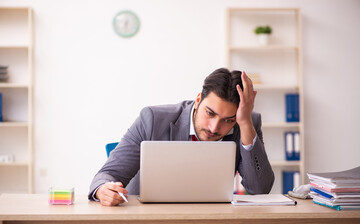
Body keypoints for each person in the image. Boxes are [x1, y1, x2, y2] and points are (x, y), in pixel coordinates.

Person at [89, 68, 274, 206]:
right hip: (149, 220)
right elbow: (108, 174)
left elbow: (260, 189)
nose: (214, 127)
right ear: (199, 99)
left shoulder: (246, 124)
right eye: (210, 113)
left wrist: (245, 123)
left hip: (214, 220)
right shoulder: (152, 119)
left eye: (228, 120)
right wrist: (103, 190)